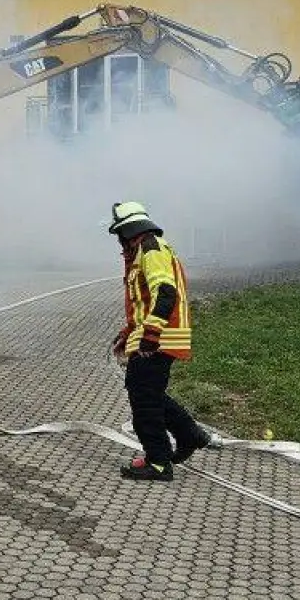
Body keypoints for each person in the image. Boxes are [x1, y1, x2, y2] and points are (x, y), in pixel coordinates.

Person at [107, 201, 214, 481]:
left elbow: (165, 293)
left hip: (159, 339)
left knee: (144, 402)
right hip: (157, 337)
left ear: (128, 231)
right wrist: (129, 332)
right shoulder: (146, 250)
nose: (119, 241)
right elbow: (143, 302)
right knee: (147, 393)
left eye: (120, 234)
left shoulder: (151, 250)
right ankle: (189, 434)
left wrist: (151, 336)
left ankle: (158, 462)